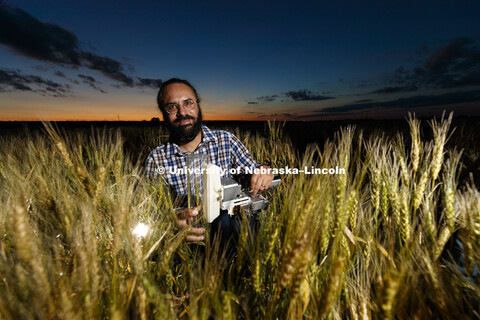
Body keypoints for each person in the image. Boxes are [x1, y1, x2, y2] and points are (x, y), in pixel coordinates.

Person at [145, 78, 274, 244]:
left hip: (234, 235)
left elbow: (255, 172)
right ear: (163, 113)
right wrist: (169, 225)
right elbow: (151, 212)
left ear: (198, 106)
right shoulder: (156, 159)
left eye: (188, 103)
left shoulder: (226, 141)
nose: (182, 112)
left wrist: (263, 171)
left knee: (230, 221)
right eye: (172, 107)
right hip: (189, 242)